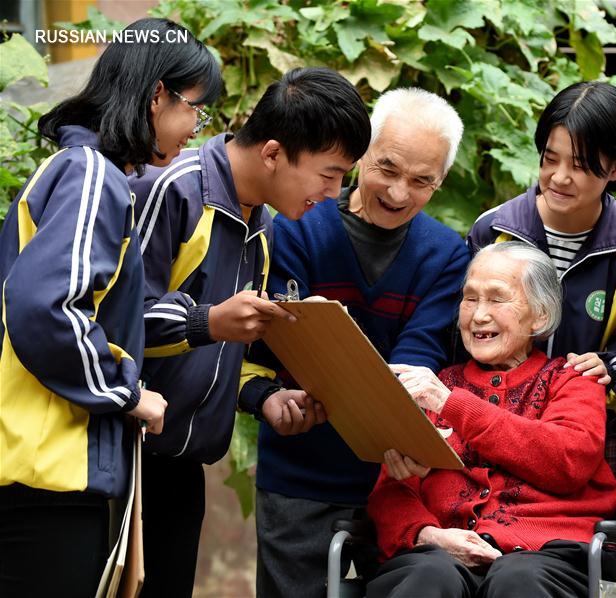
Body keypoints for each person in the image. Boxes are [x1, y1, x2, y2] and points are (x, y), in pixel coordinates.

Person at [129, 67, 370, 597]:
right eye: (328, 175)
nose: (332, 194)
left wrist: (264, 396)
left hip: (183, 464)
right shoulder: (169, 188)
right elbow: (113, 325)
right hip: (124, 460)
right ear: (273, 153)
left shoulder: (262, 222)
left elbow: (216, 356)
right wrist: (209, 320)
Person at [0, 17, 218, 596]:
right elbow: (49, 308)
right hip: (52, 470)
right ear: (157, 97)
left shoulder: (76, 168)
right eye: (196, 108)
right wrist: (126, 390)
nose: (195, 129)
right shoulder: (92, 175)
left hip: (39, 463)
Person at [240, 87, 470, 598]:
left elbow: (418, 358)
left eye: (422, 181)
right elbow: (282, 345)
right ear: (360, 152)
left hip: (398, 481)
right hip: (299, 473)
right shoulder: (297, 229)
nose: (399, 193)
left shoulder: (448, 255)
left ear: (441, 181)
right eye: (386, 169)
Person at [366, 242, 616, 598]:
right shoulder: (435, 385)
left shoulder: (572, 379)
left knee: (517, 581)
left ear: (541, 316)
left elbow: (568, 460)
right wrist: (427, 534)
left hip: (546, 559)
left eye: (497, 299)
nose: (479, 315)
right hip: (438, 553)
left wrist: (451, 404)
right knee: (428, 576)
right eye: (470, 299)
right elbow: (391, 491)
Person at [467, 81, 616, 392]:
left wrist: (611, 365)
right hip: (495, 412)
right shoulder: (494, 230)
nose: (560, 177)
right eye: (550, 159)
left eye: (579, 165)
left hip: (587, 420)